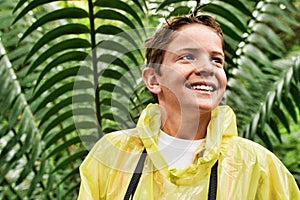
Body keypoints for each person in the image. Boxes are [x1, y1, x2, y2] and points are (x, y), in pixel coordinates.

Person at [78, 14, 300, 199]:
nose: (207, 68)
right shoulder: (112, 154)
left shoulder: (257, 164)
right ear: (154, 79)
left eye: (216, 60)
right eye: (187, 56)